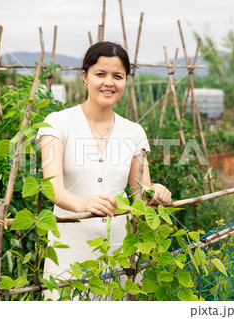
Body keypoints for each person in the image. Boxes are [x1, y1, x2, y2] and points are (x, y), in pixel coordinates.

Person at [36, 41, 172, 300]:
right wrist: (84, 204)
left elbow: (140, 193)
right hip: (70, 246)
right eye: (101, 74)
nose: (109, 82)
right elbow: (52, 186)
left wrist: (156, 192)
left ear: (126, 81)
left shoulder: (134, 132)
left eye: (117, 76)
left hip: (120, 248)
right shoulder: (58, 123)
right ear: (85, 76)